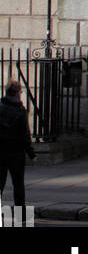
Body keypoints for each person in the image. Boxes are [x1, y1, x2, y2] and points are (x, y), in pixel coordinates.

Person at [0, 79, 36, 214]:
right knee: (18, 184)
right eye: (21, 92)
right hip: (16, 153)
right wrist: (31, 154)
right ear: (17, 94)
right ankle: (20, 216)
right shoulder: (20, 111)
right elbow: (25, 135)